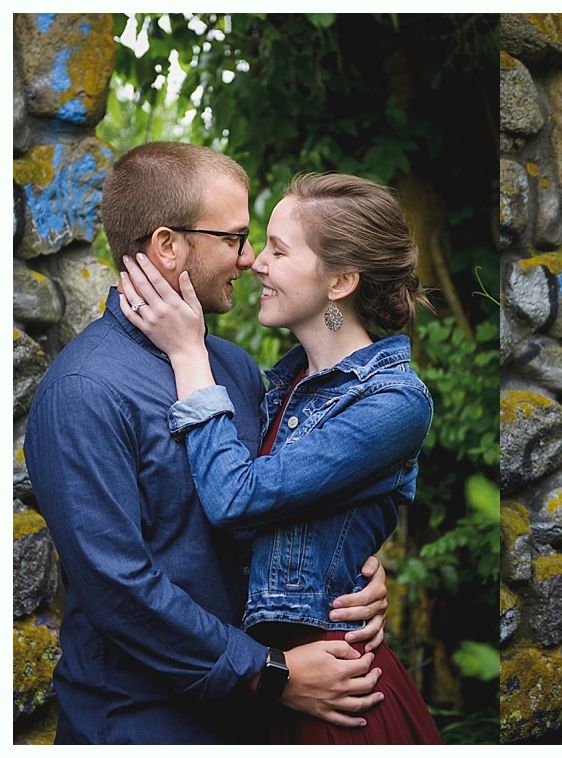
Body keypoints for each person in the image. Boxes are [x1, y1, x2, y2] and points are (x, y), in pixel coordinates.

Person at [24, 142, 390, 745]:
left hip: (258, 723)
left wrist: (352, 572)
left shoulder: (236, 368)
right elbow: (119, 590)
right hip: (144, 724)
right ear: (169, 246)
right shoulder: (84, 391)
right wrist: (269, 673)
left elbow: (276, 512)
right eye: (234, 238)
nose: (248, 260)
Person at [117, 171, 441, 744]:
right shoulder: (277, 384)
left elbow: (237, 498)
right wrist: (355, 556)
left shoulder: (392, 401)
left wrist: (190, 355)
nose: (255, 263)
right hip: (273, 679)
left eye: (278, 249)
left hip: (337, 691)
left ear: (340, 280)